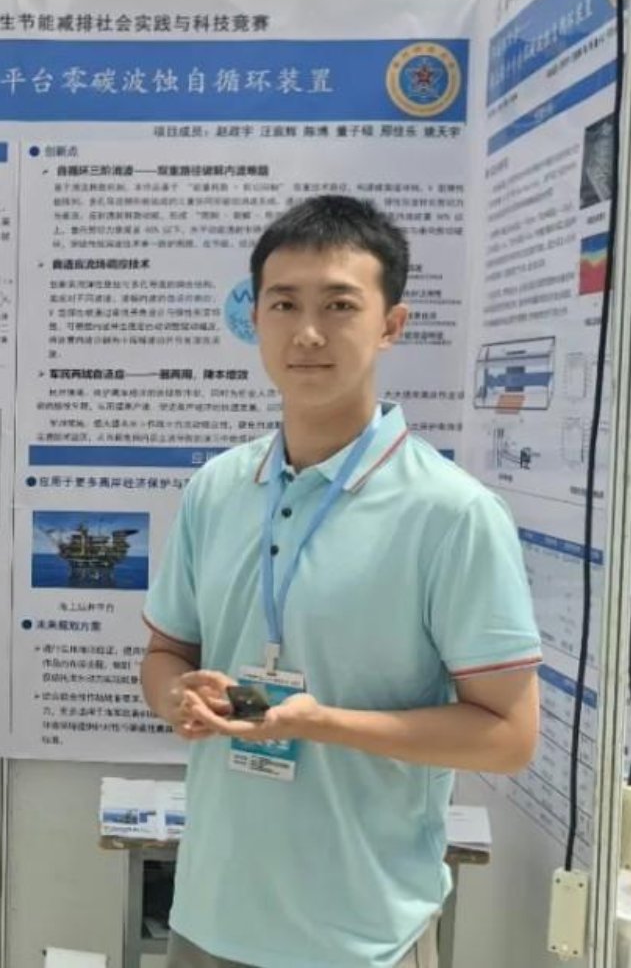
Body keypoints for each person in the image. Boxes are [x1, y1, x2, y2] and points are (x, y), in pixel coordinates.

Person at [140, 195, 542, 968]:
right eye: (283, 303)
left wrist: (321, 722)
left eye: (339, 305)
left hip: (361, 937)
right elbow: (165, 653)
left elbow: (507, 736)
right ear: (255, 317)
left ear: (392, 323)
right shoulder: (218, 487)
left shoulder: (451, 513)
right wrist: (175, 697)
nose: (308, 332)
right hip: (209, 918)